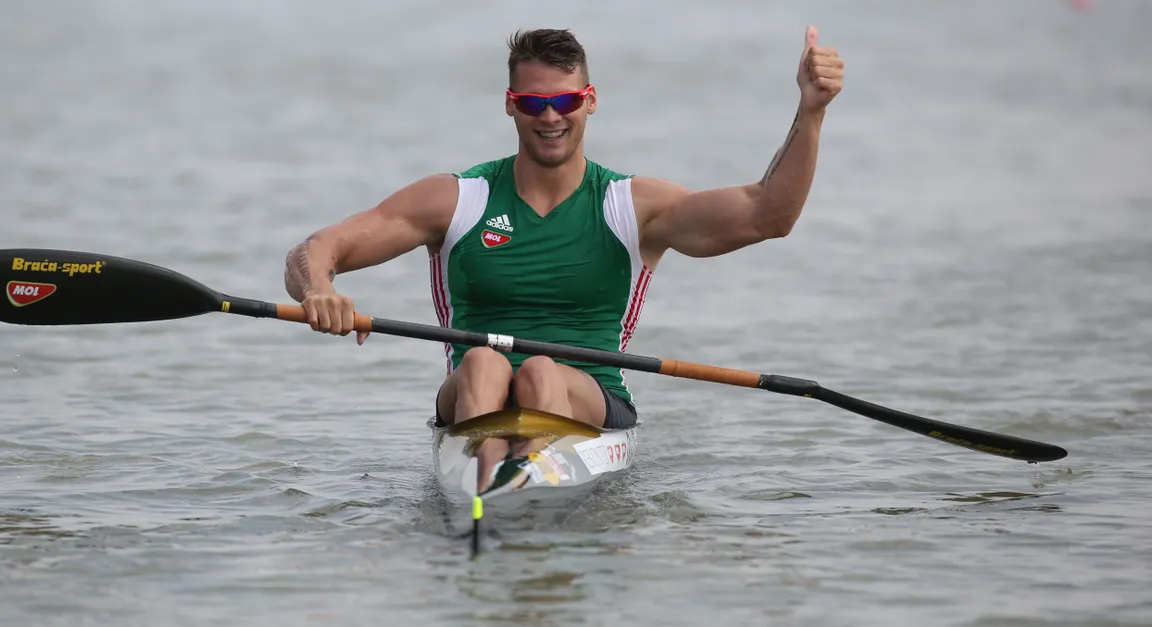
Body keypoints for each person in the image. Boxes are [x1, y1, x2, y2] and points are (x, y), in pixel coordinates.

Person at [284, 27, 843, 432]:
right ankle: (490, 495)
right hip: (475, 392)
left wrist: (811, 110)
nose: (550, 116)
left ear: (589, 102)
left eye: (565, 101)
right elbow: (317, 249)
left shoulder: (631, 206)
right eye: (533, 103)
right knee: (483, 362)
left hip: (591, 400)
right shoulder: (458, 199)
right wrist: (318, 289)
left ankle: (503, 497)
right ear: (510, 106)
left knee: (541, 373)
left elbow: (768, 215)